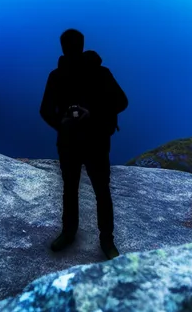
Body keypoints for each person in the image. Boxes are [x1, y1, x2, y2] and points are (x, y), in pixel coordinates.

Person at [39, 28, 129, 260]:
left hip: (87, 142)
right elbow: (122, 102)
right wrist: (69, 122)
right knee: (94, 191)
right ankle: (102, 241)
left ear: (64, 47)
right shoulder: (77, 75)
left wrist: (74, 119)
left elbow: (45, 111)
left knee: (81, 190)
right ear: (81, 45)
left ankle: (80, 235)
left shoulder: (80, 75)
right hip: (87, 142)